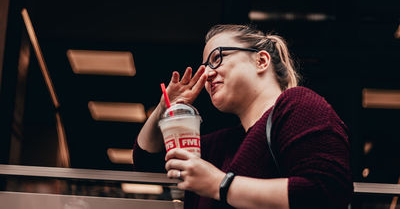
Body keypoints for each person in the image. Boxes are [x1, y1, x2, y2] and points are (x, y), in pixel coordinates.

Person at [132, 24, 353, 209]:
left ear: (261, 61)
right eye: (205, 65)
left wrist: (221, 185)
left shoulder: (297, 105)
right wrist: (165, 106)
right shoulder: (222, 145)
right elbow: (146, 161)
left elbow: (327, 193)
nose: (207, 73)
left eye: (218, 58)